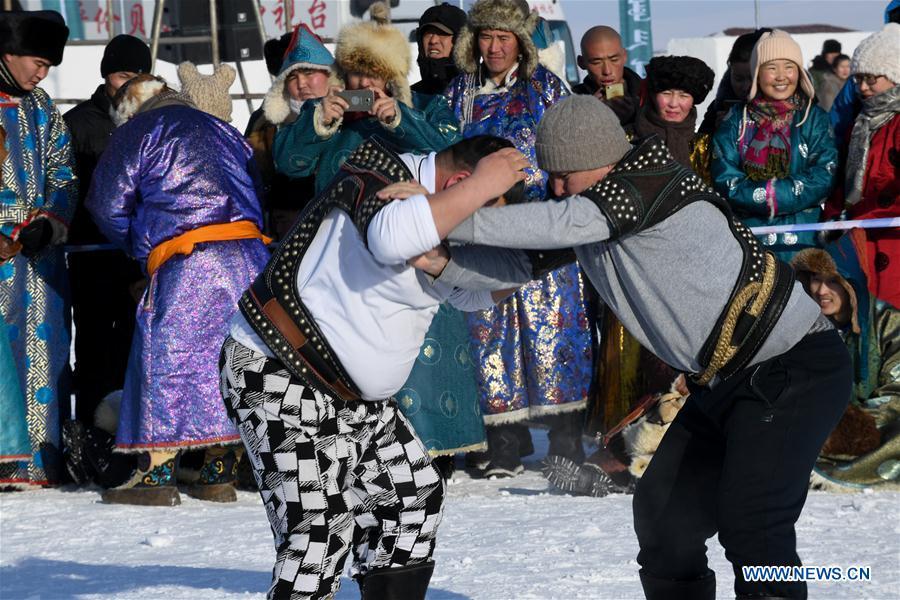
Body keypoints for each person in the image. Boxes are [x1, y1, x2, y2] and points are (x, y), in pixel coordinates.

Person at [427, 94, 851, 599]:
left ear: (601, 159)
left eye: (566, 174)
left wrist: (438, 215)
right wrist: (438, 261)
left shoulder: (649, 179)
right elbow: (518, 264)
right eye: (551, 175)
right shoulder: (593, 213)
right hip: (723, 381)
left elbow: (561, 223)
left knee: (754, 527)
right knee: (664, 519)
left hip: (795, 370)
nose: (556, 188)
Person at [220, 136, 528, 599]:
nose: (481, 226)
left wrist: (544, 257)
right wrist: (484, 185)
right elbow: (391, 237)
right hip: (280, 374)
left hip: (355, 397)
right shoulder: (382, 177)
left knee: (413, 499)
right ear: (463, 181)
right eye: (484, 206)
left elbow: (468, 292)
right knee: (318, 532)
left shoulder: (435, 207)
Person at [85, 74, 271, 506]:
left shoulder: (138, 132)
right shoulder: (223, 130)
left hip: (188, 261)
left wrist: (140, 247)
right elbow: (256, 192)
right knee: (234, 361)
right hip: (248, 259)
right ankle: (217, 473)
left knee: (166, 361)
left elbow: (106, 204)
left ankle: (154, 477)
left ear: (127, 111)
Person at [445, 0, 592, 478]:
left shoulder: (548, 88)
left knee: (557, 334)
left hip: (542, 225)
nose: (493, 47)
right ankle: (502, 445)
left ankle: (567, 442)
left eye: (503, 38)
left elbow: (571, 146)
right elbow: (441, 153)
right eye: (485, 37)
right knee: (490, 334)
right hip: (481, 231)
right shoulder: (458, 95)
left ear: (520, 43)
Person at [0, 9, 76, 488]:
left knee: (46, 352)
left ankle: (40, 459)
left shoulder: (43, 107)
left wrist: (51, 222)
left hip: (40, 256)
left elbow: (64, 171)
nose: (42, 72)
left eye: (49, 64)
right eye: (36, 61)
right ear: (8, 53)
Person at [63, 35, 148, 451]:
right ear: (106, 75)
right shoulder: (79, 122)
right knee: (95, 345)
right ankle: (92, 438)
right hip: (92, 256)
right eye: (121, 74)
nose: (128, 84)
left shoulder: (151, 120)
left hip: (138, 256)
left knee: (139, 344)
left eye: (137, 75)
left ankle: (134, 435)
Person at [273, 4, 460, 195]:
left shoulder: (427, 106)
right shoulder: (324, 110)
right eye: (355, 73)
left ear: (389, 76)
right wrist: (319, 122)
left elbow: (453, 157)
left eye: (374, 74)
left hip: (404, 217)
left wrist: (400, 120)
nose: (363, 82)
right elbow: (287, 164)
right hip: (337, 218)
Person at [712, 29, 837, 261]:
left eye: (789, 67)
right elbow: (725, 177)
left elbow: (825, 172)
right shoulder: (735, 121)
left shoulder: (812, 118)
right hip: (751, 239)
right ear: (757, 73)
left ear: (799, 73)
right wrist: (764, 196)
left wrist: (775, 195)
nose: (781, 76)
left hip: (804, 239)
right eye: (772, 68)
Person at [791, 232, 899, 492]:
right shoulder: (798, 325)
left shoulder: (888, 322)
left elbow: (896, 390)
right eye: (816, 279)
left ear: (851, 284)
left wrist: (848, 425)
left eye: (832, 281)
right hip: (817, 425)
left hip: (876, 422)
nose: (821, 291)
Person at [824, 23, 899, 308]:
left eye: (871, 78)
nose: (863, 87)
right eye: (857, 80)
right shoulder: (859, 121)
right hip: (860, 236)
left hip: (892, 233)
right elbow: (843, 178)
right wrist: (832, 216)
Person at [246, 24, 334, 239]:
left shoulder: (355, 114)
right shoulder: (265, 123)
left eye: (309, 72)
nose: (302, 84)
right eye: (292, 77)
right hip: (286, 232)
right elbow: (253, 178)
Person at [636, 55, 715, 173]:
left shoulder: (706, 146)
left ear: (694, 100)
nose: (673, 104)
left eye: (683, 96)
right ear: (653, 95)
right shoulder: (628, 139)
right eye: (666, 93)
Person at [698, 28, 772, 136]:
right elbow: (699, 148)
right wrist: (717, 132)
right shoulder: (718, 109)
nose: (746, 86)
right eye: (738, 79)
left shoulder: (790, 110)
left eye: (753, 78)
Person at [573, 25, 644, 135]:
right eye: (596, 62)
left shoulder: (650, 97)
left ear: (624, 56)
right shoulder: (571, 104)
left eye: (614, 60)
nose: (607, 71)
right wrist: (586, 111)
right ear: (581, 62)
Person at [411, 2, 467, 96]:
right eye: (428, 33)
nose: (433, 40)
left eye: (442, 33)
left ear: (460, 41)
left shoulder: (480, 95)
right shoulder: (410, 97)